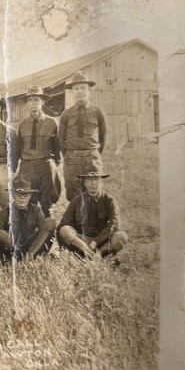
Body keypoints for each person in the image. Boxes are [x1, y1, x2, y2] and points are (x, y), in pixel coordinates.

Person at [12, 86, 61, 217]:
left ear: (42, 102)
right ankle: (32, 234)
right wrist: (15, 168)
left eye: (36, 99)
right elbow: (18, 148)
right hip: (27, 168)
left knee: (47, 205)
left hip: (46, 166)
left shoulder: (52, 122)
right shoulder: (22, 124)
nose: (33, 102)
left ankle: (49, 235)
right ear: (27, 103)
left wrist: (54, 163)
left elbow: (57, 145)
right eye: (30, 100)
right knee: (30, 203)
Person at [57, 71, 107, 201]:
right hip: (72, 160)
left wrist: (93, 154)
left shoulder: (97, 112)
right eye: (76, 88)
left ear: (88, 90)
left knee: (94, 192)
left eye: (83, 88)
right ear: (72, 92)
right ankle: (75, 221)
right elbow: (60, 139)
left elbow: (103, 137)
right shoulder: (66, 114)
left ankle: (94, 221)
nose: (80, 91)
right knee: (74, 194)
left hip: (92, 159)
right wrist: (69, 155)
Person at [57, 169, 128, 259]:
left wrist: (96, 240)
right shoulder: (76, 201)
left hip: (103, 243)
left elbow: (115, 225)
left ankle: (93, 256)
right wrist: (63, 249)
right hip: (81, 243)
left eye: (96, 180)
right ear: (85, 183)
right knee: (64, 230)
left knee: (122, 236)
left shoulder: (109, 200)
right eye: (90, 180)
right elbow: (62, 226)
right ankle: (95, 257)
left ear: (101, 183)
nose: (93, 183)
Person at [0, 175, 55, 259]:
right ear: (12, 195)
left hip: (31, 246)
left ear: (30, 196)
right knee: (0, 233)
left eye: (25, 195)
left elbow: (42, 232)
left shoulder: (36, 210)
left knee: (50, 222)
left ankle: (29, 257)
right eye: (19, 194)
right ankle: (19, 256)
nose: (22, 198)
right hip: (12, 247)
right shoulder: (4, 213)